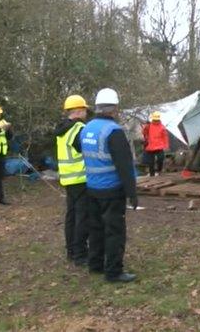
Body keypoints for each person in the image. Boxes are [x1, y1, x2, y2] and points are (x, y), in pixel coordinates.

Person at [81, 88, 138, 283]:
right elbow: (124, 165)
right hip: (112, 190)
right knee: (114, 231)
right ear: (114, 109)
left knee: (95, 228)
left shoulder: (86, 128)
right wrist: (132, 192)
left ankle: (95, 264)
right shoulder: (114, 132)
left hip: (92, 188)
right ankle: (113, 272)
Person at [55, 95, 90, 266]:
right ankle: (80, 254)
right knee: (82, 217)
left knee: (72, 216)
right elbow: (84, 149)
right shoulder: (77, 128)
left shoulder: (62, 128)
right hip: (81, 177)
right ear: (77, 111)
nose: (85, 112)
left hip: (68, 178)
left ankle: (71, 250)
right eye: (84, 109)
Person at [142, 111, 169, 176]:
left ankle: (159, 170)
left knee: (161, 158)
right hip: (150, 146)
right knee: (151, 162)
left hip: (159, 146)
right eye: (155, 119)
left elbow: (165, 136)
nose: (156, 121)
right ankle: (152, 174)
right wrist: (145, 128)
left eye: (157, 119)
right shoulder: (148, 126)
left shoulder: (162, 127)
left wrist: (166, 145)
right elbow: (144, 133)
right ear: (153, 119)